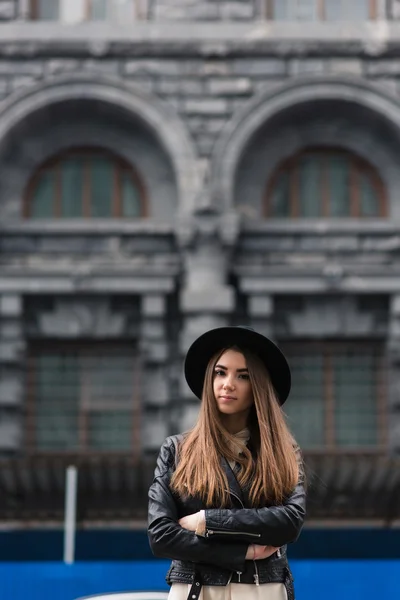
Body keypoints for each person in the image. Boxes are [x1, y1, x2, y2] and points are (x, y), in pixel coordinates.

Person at [148, 326, 306, 600]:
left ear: (258, 385)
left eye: (243, 376)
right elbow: (161, 534)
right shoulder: (177, 450)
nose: (227, 383)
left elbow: (289, 521)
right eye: (220, 372)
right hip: (197, 589)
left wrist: (206, 520)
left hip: (263, 589)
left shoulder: (284, 452)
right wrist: (241, 552)